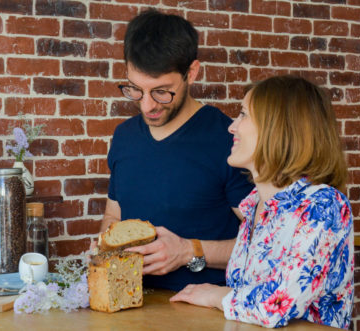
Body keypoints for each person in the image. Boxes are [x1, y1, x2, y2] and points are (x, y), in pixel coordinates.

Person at [170, 75, 354, 329]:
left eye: (244, 115)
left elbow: (277, 305)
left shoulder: (323, 205)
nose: (232, 127)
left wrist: (213, 294)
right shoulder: (254, 205)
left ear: (279, 128)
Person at [99, 9, 253, 292]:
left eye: (161, 91)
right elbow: (114, 217)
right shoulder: (124, 136)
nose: (147, 106)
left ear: (191, 73)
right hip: (135, 308)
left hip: (210, 312)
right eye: (135, 89)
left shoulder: (229, 139)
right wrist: (105, 246)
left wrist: (188, 251)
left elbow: (268, 243)